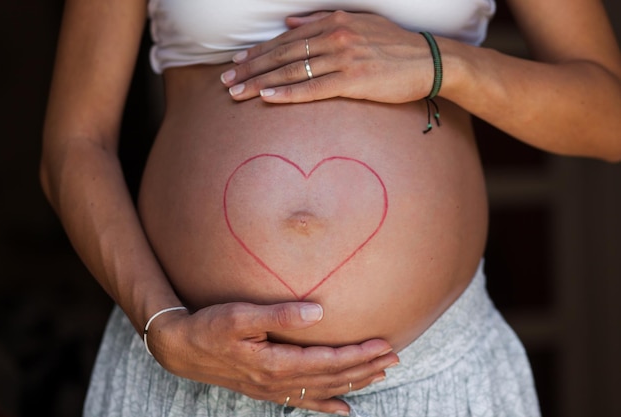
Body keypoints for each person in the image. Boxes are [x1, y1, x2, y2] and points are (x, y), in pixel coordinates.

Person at [40, 0, 621, 416]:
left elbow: (609, 116)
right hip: (190, 368)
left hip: (427, 377)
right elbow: (75, 142)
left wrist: (442, 63)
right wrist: (163, 329)